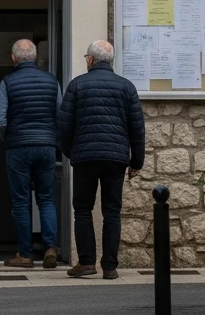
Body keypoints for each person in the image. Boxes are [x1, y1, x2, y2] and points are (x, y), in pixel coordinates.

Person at [57, 39, 145, 280]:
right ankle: (110, 266)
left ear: (90, 59)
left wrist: (71, 153)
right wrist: (136, 161)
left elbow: (64, 128)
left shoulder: (77, 86)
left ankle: (86, 262)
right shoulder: (126, 87)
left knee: (83, 210)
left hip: (85, 157)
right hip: (116, 158)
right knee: (112, 212)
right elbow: (137, 128)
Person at [0, 38, 63, 270]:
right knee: (46, 198)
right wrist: (53, 139)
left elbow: (0, 120)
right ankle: (50, 248)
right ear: (35, 58)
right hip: (45, 146)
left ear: (13, 59)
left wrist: (10, 139)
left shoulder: (8, 82)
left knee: (21, 201)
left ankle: (24, 254)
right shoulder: (52, 81)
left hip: (19, 147)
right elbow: (60, 115)